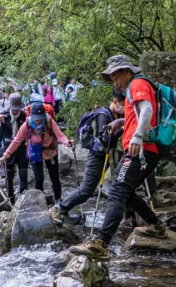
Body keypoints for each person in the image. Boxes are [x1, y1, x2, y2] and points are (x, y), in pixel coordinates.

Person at [70, 55, 167, 260]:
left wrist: (138, 136)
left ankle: (101, 243)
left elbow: (147, 110)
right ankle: (156, 225)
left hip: (140, 150)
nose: (114, 81)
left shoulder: (137, 84)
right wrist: (122, 122)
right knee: (127, 192)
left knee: (117, 192)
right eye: (112, 77)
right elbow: (141, 112)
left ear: (128, 71)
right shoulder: (136, 86)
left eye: (117, 76)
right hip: (146, 150)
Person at [49, 90, 124, 226]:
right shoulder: (104, 116)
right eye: (122, 105)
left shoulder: (115, 114)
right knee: (86, 191)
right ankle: (58, 208)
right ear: (114, 101)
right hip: (97, 156)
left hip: (107, 155)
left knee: (120, 186)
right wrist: (122, 128)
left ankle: (129, 217)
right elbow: (105, 139)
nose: (124, 108)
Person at [0, 99, 70, 203]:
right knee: (39, 178)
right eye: (36, 119)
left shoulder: (49, 121)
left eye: (40, 118)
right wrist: (5, 156)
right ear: (31, 116)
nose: (39, 121)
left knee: (55, 178)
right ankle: (39, 201)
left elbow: (60, 135)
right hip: (34, 152)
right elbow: (16, 141)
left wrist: (68, 142)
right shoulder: (27, 123)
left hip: (50, 151)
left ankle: (58, 200)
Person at [0, 94, 29, 201]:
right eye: (13, 108)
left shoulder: (25, 116)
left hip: (22, 147)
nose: (15, 110)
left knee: (23, 172)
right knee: (9, 174)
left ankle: (23, 198)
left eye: (17, 108)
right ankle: (10, 197)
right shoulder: (4, 116)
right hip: (8, 145)